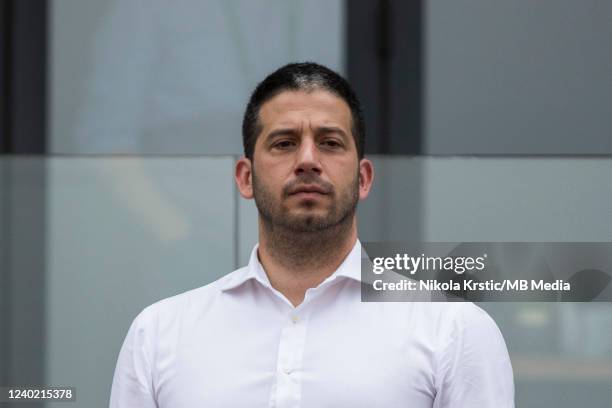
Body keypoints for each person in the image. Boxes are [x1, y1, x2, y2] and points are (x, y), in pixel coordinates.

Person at [109, 62, 515, 407]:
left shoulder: (453, 331)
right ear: (246, 177)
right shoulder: (159, 334)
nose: (307, 160)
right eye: (284, 143)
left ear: (363, 177)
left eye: (330, 143)